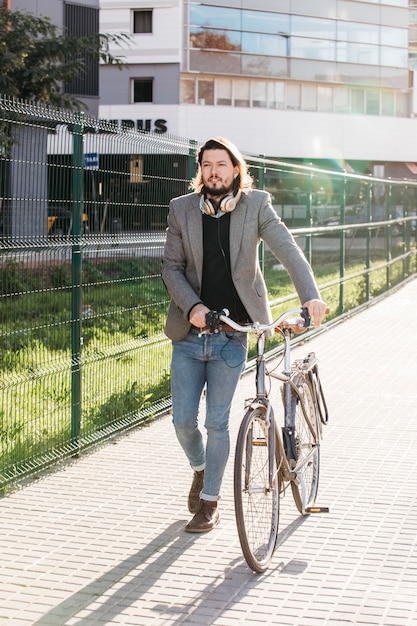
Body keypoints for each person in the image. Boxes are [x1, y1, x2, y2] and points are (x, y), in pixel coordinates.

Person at [161, 137, 328, 534]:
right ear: (200, 170)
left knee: (217, 423)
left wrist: (312, 296)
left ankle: (210, 503)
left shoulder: (256, 205)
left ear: (236, 169)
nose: (214, 171)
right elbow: (171, 268)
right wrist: (194, 308)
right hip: (189, 334)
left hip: (234, 334)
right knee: (183, 421)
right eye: (207, 165)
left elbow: (288, 249)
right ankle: (201, 470)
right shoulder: (181, 210)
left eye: (222, 164)